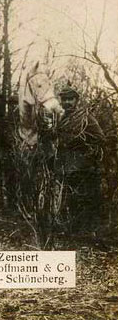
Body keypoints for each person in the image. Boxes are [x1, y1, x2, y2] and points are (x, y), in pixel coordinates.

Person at [56, 85, 105, 233]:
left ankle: (85, 231)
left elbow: (100, 138)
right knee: (67, 197)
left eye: (70, 99)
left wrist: (82, 148)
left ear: (76, 100)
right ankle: (69, 228)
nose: (67, 102)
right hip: (66, 165)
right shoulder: (62, 118)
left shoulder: (85, 117)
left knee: (83, 198)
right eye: (64, 99)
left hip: (82, 167)